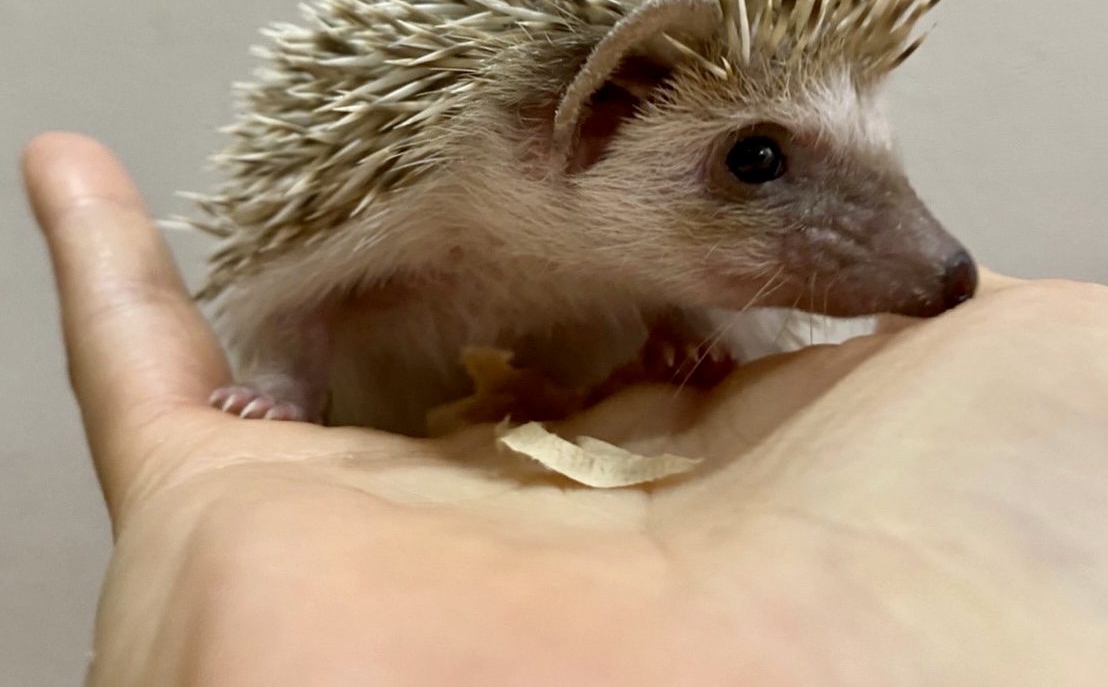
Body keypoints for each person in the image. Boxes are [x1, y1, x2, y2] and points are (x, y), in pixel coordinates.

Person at [23, 132, 1108, 685]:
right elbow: (298, 300)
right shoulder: (400, 206)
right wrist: (284, 385)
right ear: (589, 118)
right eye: (754, 162)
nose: (933, 261)